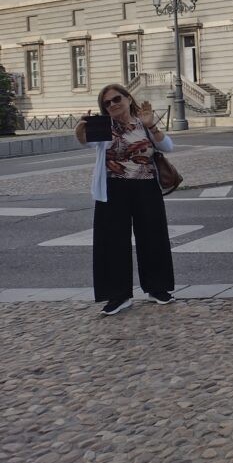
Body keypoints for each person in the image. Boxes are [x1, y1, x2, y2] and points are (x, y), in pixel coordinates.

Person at [75, 83, 177, 316]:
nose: (112, 105)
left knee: (153, 237)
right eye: (107, 103)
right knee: (112, 242)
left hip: (146, 185)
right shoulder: (104, 125)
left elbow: (168, 146)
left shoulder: (144, 122)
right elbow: (86, 142)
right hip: (113, 188)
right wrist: (80, 129)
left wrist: (152, 125)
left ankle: (157, 289)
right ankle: (118, 295)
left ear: (128, 99)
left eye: (116, 99)